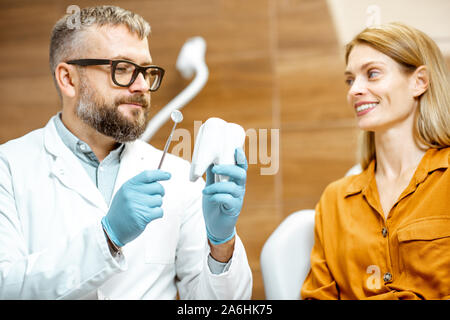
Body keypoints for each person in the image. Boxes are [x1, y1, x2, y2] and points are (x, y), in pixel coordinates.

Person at [0, 5, 252, 299]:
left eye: (146, 71)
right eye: (122, 69)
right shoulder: (8, 169)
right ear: (68, 79)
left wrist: (221, 244)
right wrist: (108, 236)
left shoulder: (182, 178)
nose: (143, 86)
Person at [301, 22, 450, 299]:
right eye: (350, 79)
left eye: (372, 74)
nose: (355, 90)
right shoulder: (334, 201)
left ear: (419, 82)